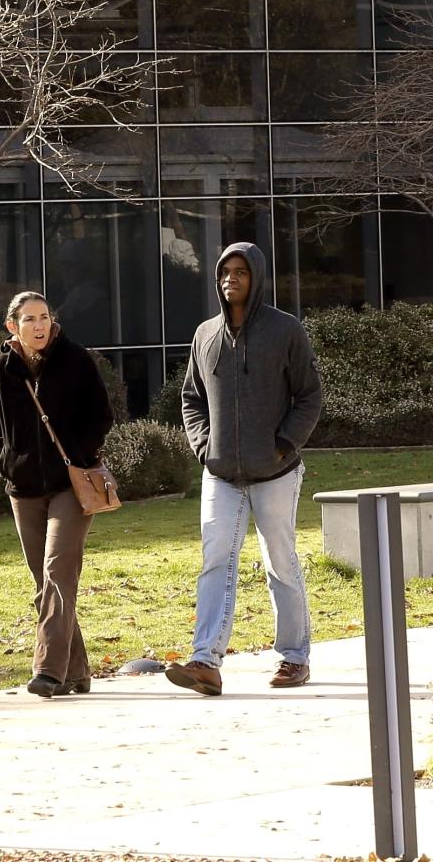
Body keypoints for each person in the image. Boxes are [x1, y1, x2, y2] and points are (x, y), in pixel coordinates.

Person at [165, 242, 322, 697]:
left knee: (280, 562)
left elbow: (309, 395)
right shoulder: (205, 334)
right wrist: (202, 446)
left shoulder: (284, 330)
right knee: (216, 561)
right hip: (220, 473)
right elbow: (190, 398)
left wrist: (284, 444)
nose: (231, 279)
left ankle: (294, 658)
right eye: (224, 272)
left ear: (256, 276)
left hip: (275, 471)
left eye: (240, 272)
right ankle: (206, 661)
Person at [0, 290, 114, 699]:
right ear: (12, 327)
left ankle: (48, 671)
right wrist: (6, 461)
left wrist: (79, 453)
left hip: (70, 487)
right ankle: (78, 671)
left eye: (44, 317)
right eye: (29, 319)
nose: (39, 325)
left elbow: (101, 415)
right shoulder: (0, 370)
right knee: (45, 583)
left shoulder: (76, 360)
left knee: (57, 572)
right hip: (23, 489)